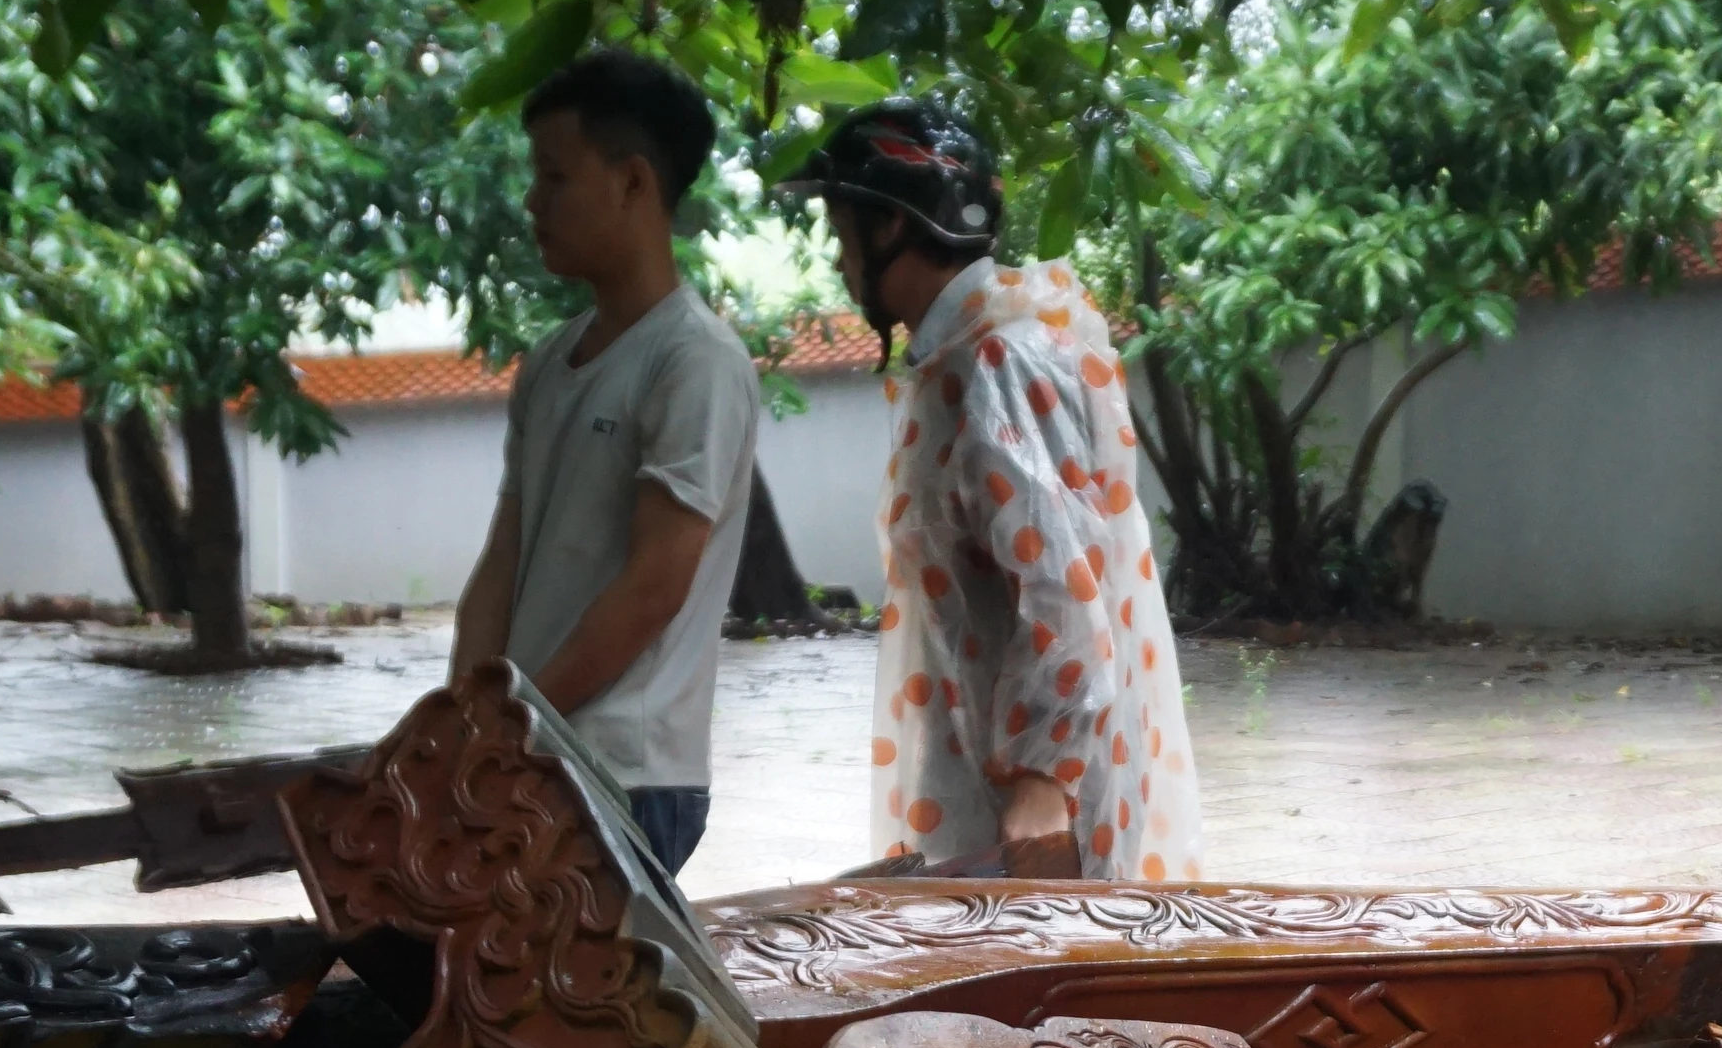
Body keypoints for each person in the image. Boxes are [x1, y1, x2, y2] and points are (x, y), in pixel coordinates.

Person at [786, 99, 1204, 880]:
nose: (840, 262)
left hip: (1035, 802)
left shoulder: (1001, 363)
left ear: (893, 227)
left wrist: (1044, 785)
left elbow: (1063, 588)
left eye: (845, 233)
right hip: (986, 773)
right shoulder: (965, 358)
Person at [448, 47, 762, 881]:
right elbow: (502, 560)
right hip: (532, 756)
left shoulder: (695, 361)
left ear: (631, 183)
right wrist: (461, 722)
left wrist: (515, 720)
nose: (532, 202)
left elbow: (656, 586)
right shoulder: (549, 364)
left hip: (628, 772)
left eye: (554, 176)